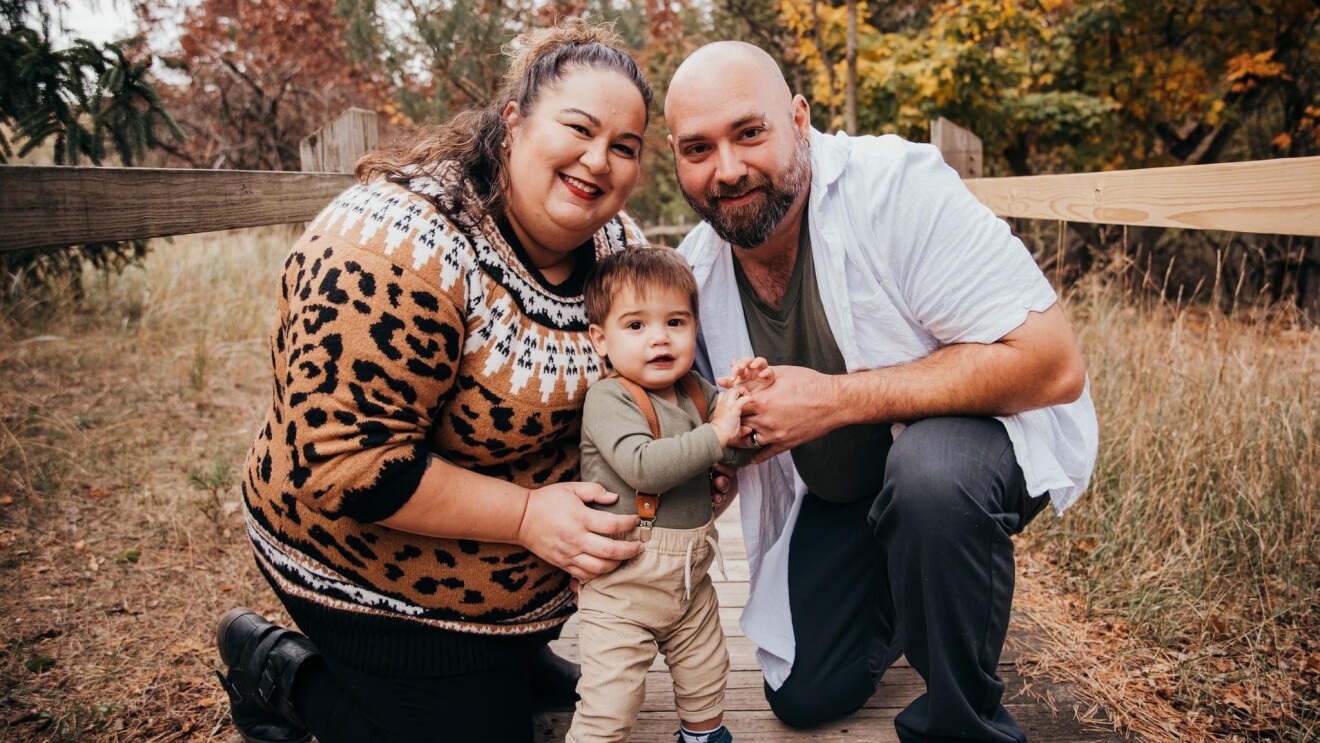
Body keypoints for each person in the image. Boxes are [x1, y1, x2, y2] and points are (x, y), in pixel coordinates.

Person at [211, 20, 664, 743]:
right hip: (358, 560)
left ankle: (509, 652)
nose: (598, 159)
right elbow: (343, 463)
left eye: (625, 147)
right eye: (578, 127)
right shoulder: (394, 245)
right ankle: (278, 672)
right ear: (513, 122)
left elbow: (647, 384)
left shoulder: (621, 252)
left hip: (512, 575)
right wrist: (526, 517)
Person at [663, 41, 1099, 743]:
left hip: (967, 452)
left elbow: (1053, 365)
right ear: (675, 158)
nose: (729, 168)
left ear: (799, 119)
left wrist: (834, 400)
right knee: (805, 693)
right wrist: (713, 466)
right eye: (698, 148)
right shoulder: (694, 273)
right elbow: (716, 433)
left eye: (750, 132)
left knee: (931, 476)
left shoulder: (896, 187)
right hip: (845, 496)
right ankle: (915, 582)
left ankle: (963, 722)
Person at [570, 247, 770, 743]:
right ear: (601, 338)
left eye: (676, 322)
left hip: (689, 580)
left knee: (707, 675)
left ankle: (702, 736)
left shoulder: (696, 392)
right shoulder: (609, 398)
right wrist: (718, 434)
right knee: (611, 701)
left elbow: (737, 456)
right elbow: (645, 468)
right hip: (623, 584)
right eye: (636, 326)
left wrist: (746, 405)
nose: (660, 337)